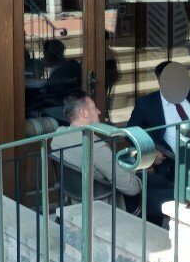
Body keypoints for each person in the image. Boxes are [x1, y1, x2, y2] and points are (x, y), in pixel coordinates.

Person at [52, 90, 174, 224]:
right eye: (94, 108)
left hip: (84, 194)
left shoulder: (58, 137)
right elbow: (132, 189)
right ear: (84, 113)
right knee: (174, 195)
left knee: (160, 181)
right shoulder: (95, 146)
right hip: (111, 201)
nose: (99, 111)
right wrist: (136, 173)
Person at [126, 60, 190, 181]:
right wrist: (149, 151)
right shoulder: (147, 104)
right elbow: (130, 131)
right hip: (177, 164)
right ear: (160, 81)